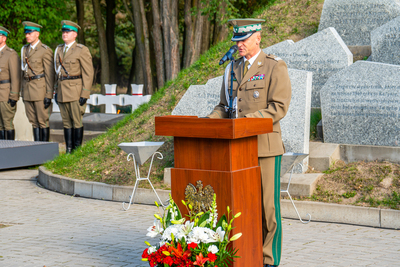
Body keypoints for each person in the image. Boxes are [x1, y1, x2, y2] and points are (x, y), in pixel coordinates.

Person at [207, 18, 291, 267]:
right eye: (236, 40)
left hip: (264, 147)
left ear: (258, 37)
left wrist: (244, 123)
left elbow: (278, 107)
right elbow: (224, 107)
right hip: (236, 148)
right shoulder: (231, 69)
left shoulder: (275, 67)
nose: (239, 45)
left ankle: (269, 259)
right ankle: (246, 253)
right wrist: (209, 122)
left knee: (268, 209)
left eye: (243, 40)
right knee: (242, 205)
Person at [54, 20, 93, 153]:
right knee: (66, 122)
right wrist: (55, 91)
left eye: (68, 32)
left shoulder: (82, 50)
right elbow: (57, 72)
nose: (64, 34)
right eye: (63, 32)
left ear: (75, 34)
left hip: (75, 91)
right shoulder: (59, 49)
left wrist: (85, 93)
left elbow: (88, 73)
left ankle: (77, 151)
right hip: (62, 91)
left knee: (76, 122)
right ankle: (68, 150)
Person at [21, 21, 54, 141]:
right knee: (33, 121)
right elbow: (22, 72)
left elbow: (50, 74)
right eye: (26, 33)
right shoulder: (24, 50)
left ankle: (44, 149)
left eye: (29, 33)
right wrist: (22, 91)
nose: (27, 36)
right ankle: (36, 147)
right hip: (28, 90)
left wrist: (49, 94)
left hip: (40, 90)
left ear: (37, 34)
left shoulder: (45, 50)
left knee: (42, 120)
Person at [0, 26, 20, 140]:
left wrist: (14, 95)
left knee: (7, 123)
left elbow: (15, 77)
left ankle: (10, 149)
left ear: (4, 38)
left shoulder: (10, 54)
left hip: (5, 93)